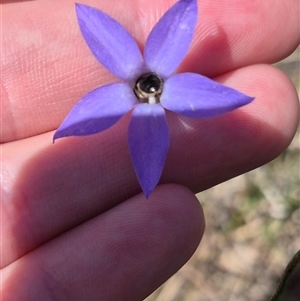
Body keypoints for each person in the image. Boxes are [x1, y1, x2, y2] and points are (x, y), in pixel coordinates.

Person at [1, 0, 299, 300]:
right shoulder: (135, 89)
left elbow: (183, 17)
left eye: (150, 87)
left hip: (165, 93)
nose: (148, 89)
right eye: (146, 88)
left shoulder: (157, 89)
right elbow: (95, 27)